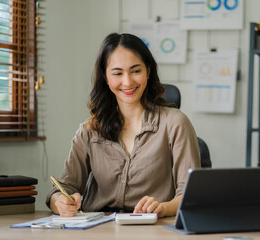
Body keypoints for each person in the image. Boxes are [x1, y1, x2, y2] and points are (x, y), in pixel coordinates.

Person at [46, 33, 200, 218]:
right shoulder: (89, 130)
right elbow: (64, 187)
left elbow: (190, 195)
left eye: (136, 71)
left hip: (152, 228)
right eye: (118, 73)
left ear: (148, 70)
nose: (127, 82)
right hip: (97, 229)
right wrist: (59, 203)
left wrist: (163, 208)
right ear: (106, 77)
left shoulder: (175, 123)